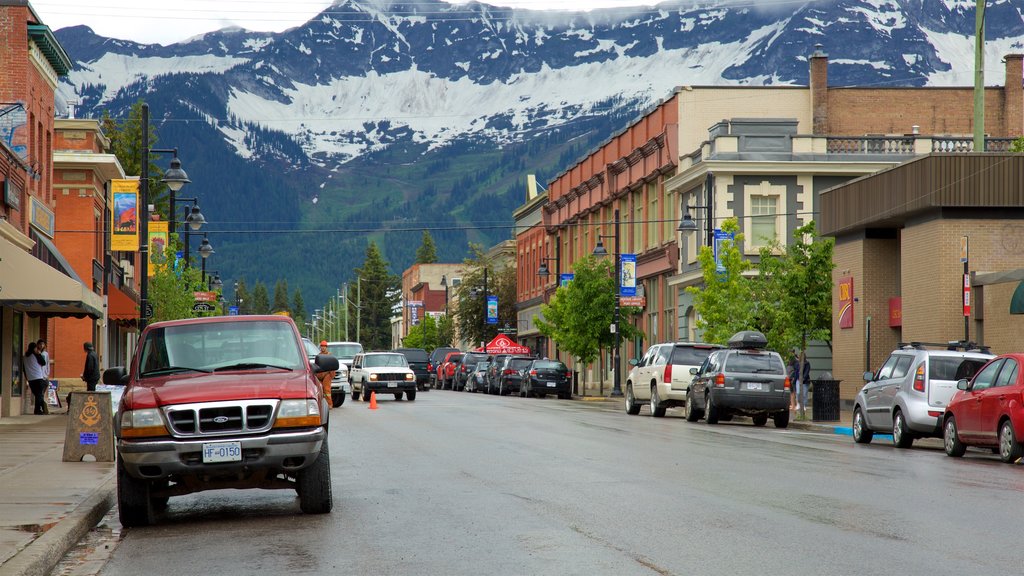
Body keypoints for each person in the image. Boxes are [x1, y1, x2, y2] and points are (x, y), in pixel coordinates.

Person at [23, 342, 48, 414]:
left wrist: (26, 377)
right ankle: (37, 410)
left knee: (37, 395)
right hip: (38, 377)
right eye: (36, 348)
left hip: (30, 378)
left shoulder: (25, 356)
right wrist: (39, 354)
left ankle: (40, 408)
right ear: (34, 348)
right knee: (39, 394)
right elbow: (43, 363)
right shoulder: (35, 355)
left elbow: (24, 369)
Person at [317, 340, 335, 408]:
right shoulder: (319, 355)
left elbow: (332, 365)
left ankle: (329, 404)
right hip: (320, 375)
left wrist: (331, 375)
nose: (323, 348)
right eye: (322, 346)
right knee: (320, 390)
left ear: (326, 347)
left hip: (327, 374)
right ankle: (321, 405)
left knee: (327, 390)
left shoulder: (329, 355)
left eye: (324, 346)